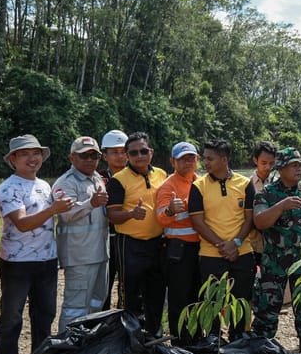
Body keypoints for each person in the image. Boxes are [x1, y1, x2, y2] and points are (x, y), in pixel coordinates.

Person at [0, 135, 73, 354]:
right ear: (13, 159)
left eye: (36, 153)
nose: (32, 158)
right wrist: (53, 209)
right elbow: (22, 223)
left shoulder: (44, 185)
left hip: (46, 260)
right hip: (17, 262)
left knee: (45, 315)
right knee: (12, 318)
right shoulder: (8, 188)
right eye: (25, 154)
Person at [254, 147, 301, 344]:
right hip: (273, 262)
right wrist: (280, 206)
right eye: (293, 165)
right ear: (281, 168)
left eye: (300, 165)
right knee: (267, 312)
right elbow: (259, 222)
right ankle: (262, 350)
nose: (299, 169)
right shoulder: (267, 193)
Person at [106, 132, 168, 334]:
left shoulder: (161, 174)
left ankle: (153, 337)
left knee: (156, 292)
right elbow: (112, 215)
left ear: (151, 152)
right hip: (129, 244)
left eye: (143, 151)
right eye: (133, 153)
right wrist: (131, 214)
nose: (139, 156)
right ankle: (128, 338)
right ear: (127, 156)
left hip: (157, 243)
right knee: (130, 294)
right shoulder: (118, 180)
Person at [189, 139, 256, 310]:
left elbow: (250, 219)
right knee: (212, 306)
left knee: (241, 304)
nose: (205, 163)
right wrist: (223, 246)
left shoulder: (245, 184)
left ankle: (240, 329)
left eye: (210, 159)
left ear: (224, 160)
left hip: (242, 253)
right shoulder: (198, 187)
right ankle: (214, 330)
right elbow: (198, 223)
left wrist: (236, 243)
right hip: (211, 255)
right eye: (205, 158)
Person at [51, 136, 110, 331]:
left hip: (100, 253)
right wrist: (90, 203)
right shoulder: (65, 183)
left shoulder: (97, 179)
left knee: (96, 304)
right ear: (72, 158)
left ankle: (87, 344)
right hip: (79, 257)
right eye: (84, 155)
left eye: (94, 155)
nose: (90, 160)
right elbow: (66, 213)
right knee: (75, 308)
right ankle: (67, 345)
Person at [156, 142, 202, 341]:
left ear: (197, 160)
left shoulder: (201, 182)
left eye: (191, 158)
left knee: (197, 296)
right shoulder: (168, 186)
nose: (188, 163)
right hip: (179, 250)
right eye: (183, 159)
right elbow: (160, 219)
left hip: (201, 248)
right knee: (179, 299)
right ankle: (179, 341)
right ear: (173, 161)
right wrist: (170, 210)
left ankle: (197, 338)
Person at [99, 129, 128, 311]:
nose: (120, 156)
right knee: (104, 285)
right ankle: (102, 322)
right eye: (114, 152)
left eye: (123, 151)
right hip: (104, 238)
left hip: (128, 238)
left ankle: (125, 321)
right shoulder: (97, 178)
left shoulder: (136, 176)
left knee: (127, 285)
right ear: (105, 155)